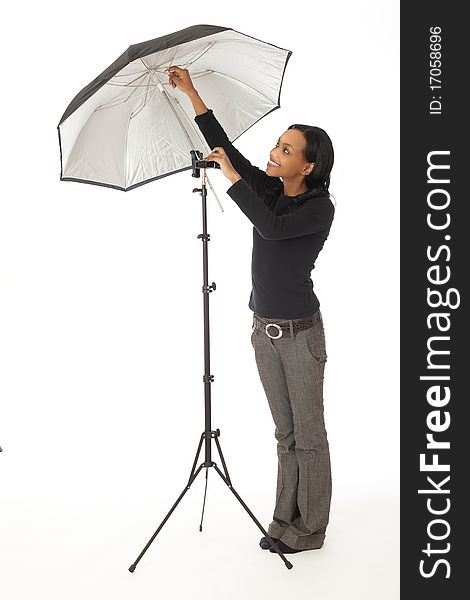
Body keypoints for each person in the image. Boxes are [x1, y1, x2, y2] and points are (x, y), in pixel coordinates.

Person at [166, 66, 335, 554]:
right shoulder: (269, 188)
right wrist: (192, 94)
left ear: (307, 166)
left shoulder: (317, 208)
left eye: (286, 150)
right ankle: (284, 521)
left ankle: (312, 529)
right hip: (264, 330)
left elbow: (271, 228)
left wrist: (234, 176)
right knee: (285, 433)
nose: (274, 152)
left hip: (301, 335)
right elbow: (228, 149)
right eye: (277, 144)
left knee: (309, 436)